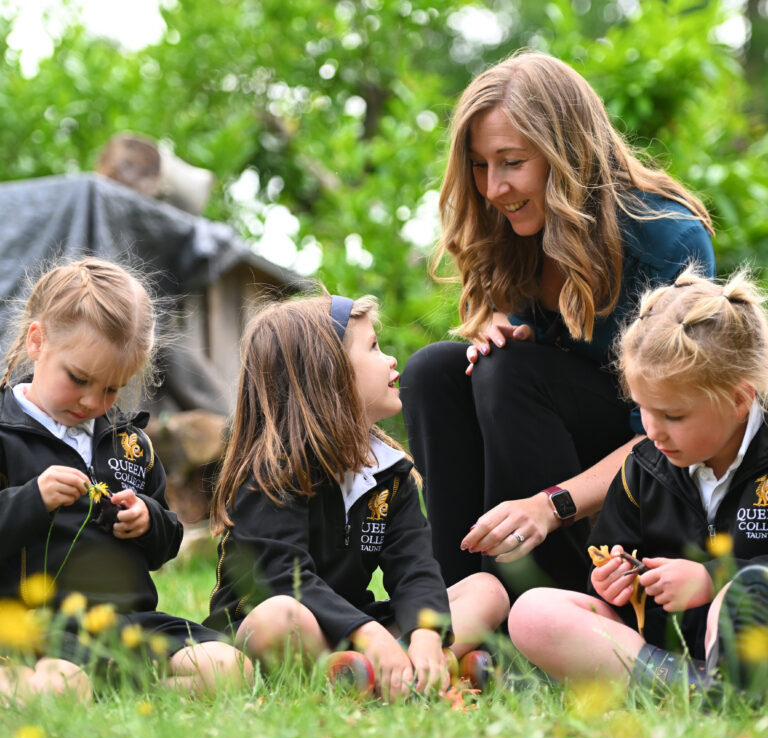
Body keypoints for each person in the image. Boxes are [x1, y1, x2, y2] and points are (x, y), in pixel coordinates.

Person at [400, 50, 716, 599]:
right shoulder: (515, 228)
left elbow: (667, 434)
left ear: (566, 153)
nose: (492, 188)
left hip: (645, 475)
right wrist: (499, 324)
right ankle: (454, 606)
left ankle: (537, 603)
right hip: (547, 439)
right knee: (434, 371)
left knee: (510, 375)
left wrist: (552, 504)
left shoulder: (668, 237)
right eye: (480, 165)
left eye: (511, 162)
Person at [204, 294, 510, 702]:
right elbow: (284, 580)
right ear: (328, 374)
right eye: (374, 347)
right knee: (281, 617)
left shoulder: (389, 471)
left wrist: (425, 634)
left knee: (487, 590)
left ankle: (396, 672)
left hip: (356, 632)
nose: (391, 360)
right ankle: (411, 677)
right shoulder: (272, 472)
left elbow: (414, 567)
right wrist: (368, 635)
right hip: (275, 630)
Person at [0, 257, 252, 704]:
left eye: (112, 388)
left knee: (231, 667)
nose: (92, 401)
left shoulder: (130, 444)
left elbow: (167, 542)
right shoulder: (6, 433)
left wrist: (148, 519)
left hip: (129, 623)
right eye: (79, 379)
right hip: (42, 626)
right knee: (60, 687)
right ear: (37, 341)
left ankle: (120, 689)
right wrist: (32, 499)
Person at [507, 267, 768, 696]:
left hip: (751, 636)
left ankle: (726, 681)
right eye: (643, 409)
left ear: (739, 400)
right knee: (533, 612)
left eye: (673, 415)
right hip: (661, 647)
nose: (653, 430)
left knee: (744, 592)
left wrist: (712, 579)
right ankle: (693, 687)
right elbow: (610, 556)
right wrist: (609, 582)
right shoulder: (643, 466)